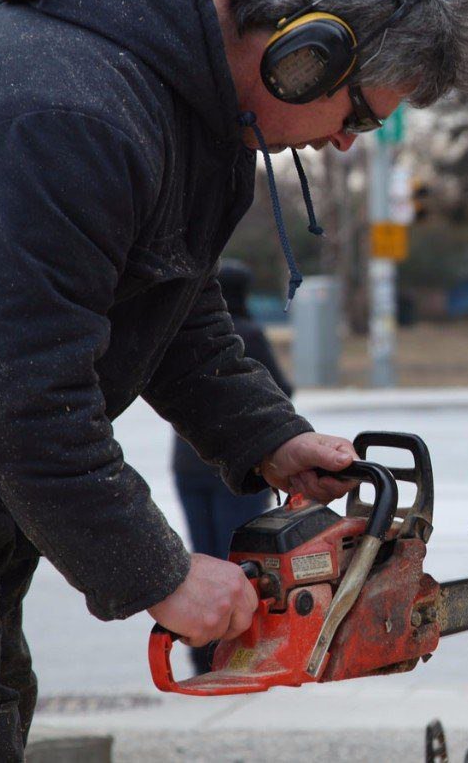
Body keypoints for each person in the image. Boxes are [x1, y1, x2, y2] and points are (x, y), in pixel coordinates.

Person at [0, 0, 468, 757]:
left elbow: (172, 306)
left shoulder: (179, 108)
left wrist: (268, 437)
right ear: (307, 57)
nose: (345, 141)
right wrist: (160, 572)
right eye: (362, 115)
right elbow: (21, 398)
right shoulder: (69, 108)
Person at [172, 260, 289, 675]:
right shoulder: (247, 335)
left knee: (200, 560)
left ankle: (199, 656)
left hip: (187, 465)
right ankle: (237, 655)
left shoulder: (184, 331)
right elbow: (280, 390)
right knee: (237, 565)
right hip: (235, 469)